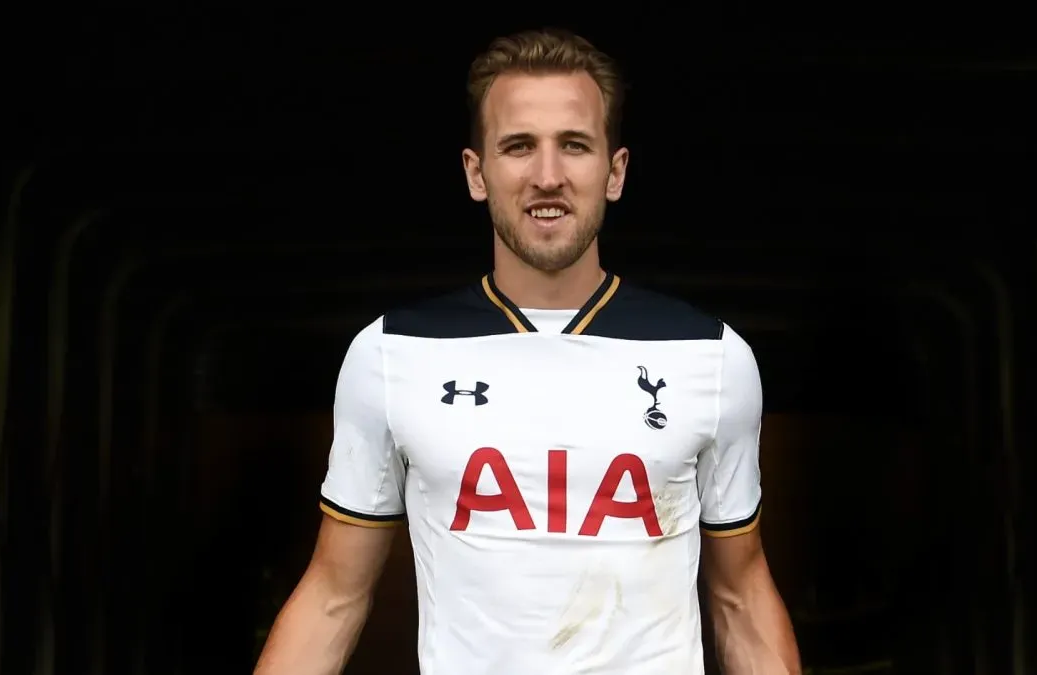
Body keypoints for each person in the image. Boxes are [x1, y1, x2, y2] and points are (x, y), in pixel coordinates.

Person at [253, 27, 801, 675]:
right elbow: (334, 595)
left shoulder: (711, 356)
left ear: (614, 171)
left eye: (574, 146)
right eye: (518, 147)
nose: (548, 176)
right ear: (476, 172)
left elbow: (739, 594)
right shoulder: (391, 353)